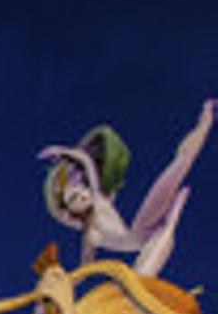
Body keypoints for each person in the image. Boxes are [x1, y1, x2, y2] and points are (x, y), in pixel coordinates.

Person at [39, 99, 214, 277]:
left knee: (179, 164)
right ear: (70, 211)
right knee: (139, 277)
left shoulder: (99, 199)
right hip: (140, 239)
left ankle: (206, 121)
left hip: (140, 227)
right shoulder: (88, 234)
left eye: (82, 190)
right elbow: (85, 269)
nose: (82, 195)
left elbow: (86, 160)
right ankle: (172, 219)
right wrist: (62, 284)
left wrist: (61, 151)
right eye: (74, 198)